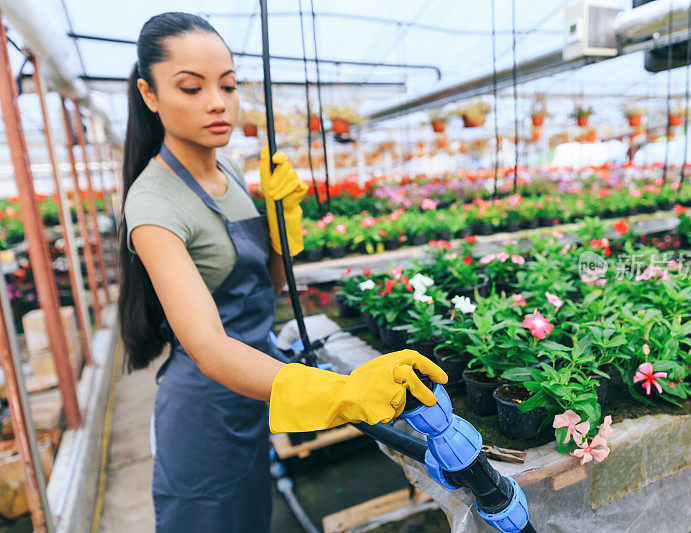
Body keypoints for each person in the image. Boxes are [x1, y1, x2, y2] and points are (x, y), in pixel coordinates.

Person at [117, 12, 447, 533]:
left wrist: (281, 223)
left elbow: (264, 291)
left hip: (255, 389)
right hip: (206, 412)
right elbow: (208, 346)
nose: (217, 102)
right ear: (149, 93)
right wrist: (337, 392)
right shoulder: (154, 204)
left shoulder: (227, 167)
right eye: (191, 87)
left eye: (227, 85)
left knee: (251, 518)